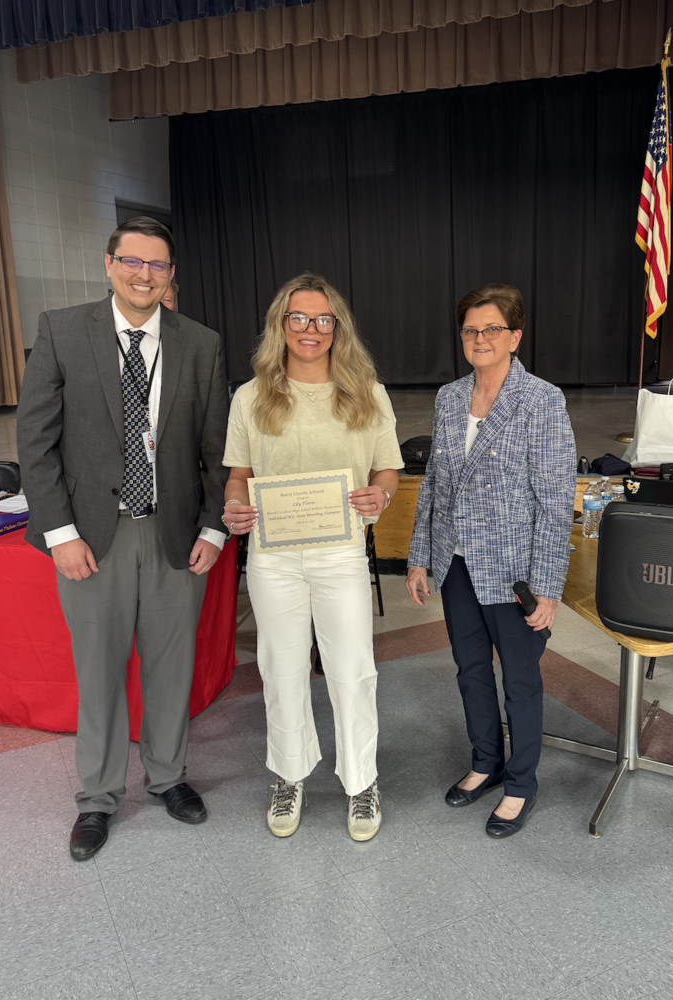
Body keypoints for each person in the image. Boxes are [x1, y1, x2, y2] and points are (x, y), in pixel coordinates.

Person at [16, 217, 229, 860]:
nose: (143, 274)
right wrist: (59, 532)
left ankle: (167, 777)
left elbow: (221, 452)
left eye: (156, 265)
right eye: (131, 262)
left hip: (174, 536)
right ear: (108, 264)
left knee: (171, 667)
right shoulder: (61, 330)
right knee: (99, 671)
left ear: (171, 277)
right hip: (90, 540)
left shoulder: (201, 344)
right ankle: (99, 799)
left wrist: (216, 526)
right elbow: (36, 442)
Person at [222, 272, 403, 842]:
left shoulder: (367, 392)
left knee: (352, 671)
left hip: (341, 553)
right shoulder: (251, 396)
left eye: (322, 320)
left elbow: (387, 470)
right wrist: (234, 511)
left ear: (337, 328)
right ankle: (289, 775)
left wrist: (383, 493)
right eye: (298, 318)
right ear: (281, 324)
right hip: (274, 556)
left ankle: (361, 782)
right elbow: (238, 478)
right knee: (280, 670)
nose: (310, 330)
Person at [406, 284, 576, 838]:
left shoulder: (542, 399)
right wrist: (419, 557)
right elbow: (433, 485)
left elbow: (555, 501)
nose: (480, 339)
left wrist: (548, 587)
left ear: (515, 336)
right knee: (472, 670)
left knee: (521, 680)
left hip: (516, 570)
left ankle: (522, 782)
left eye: (492, 329)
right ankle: (487, 762)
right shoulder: (449, 397)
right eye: (471, 331)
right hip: (456, 564)